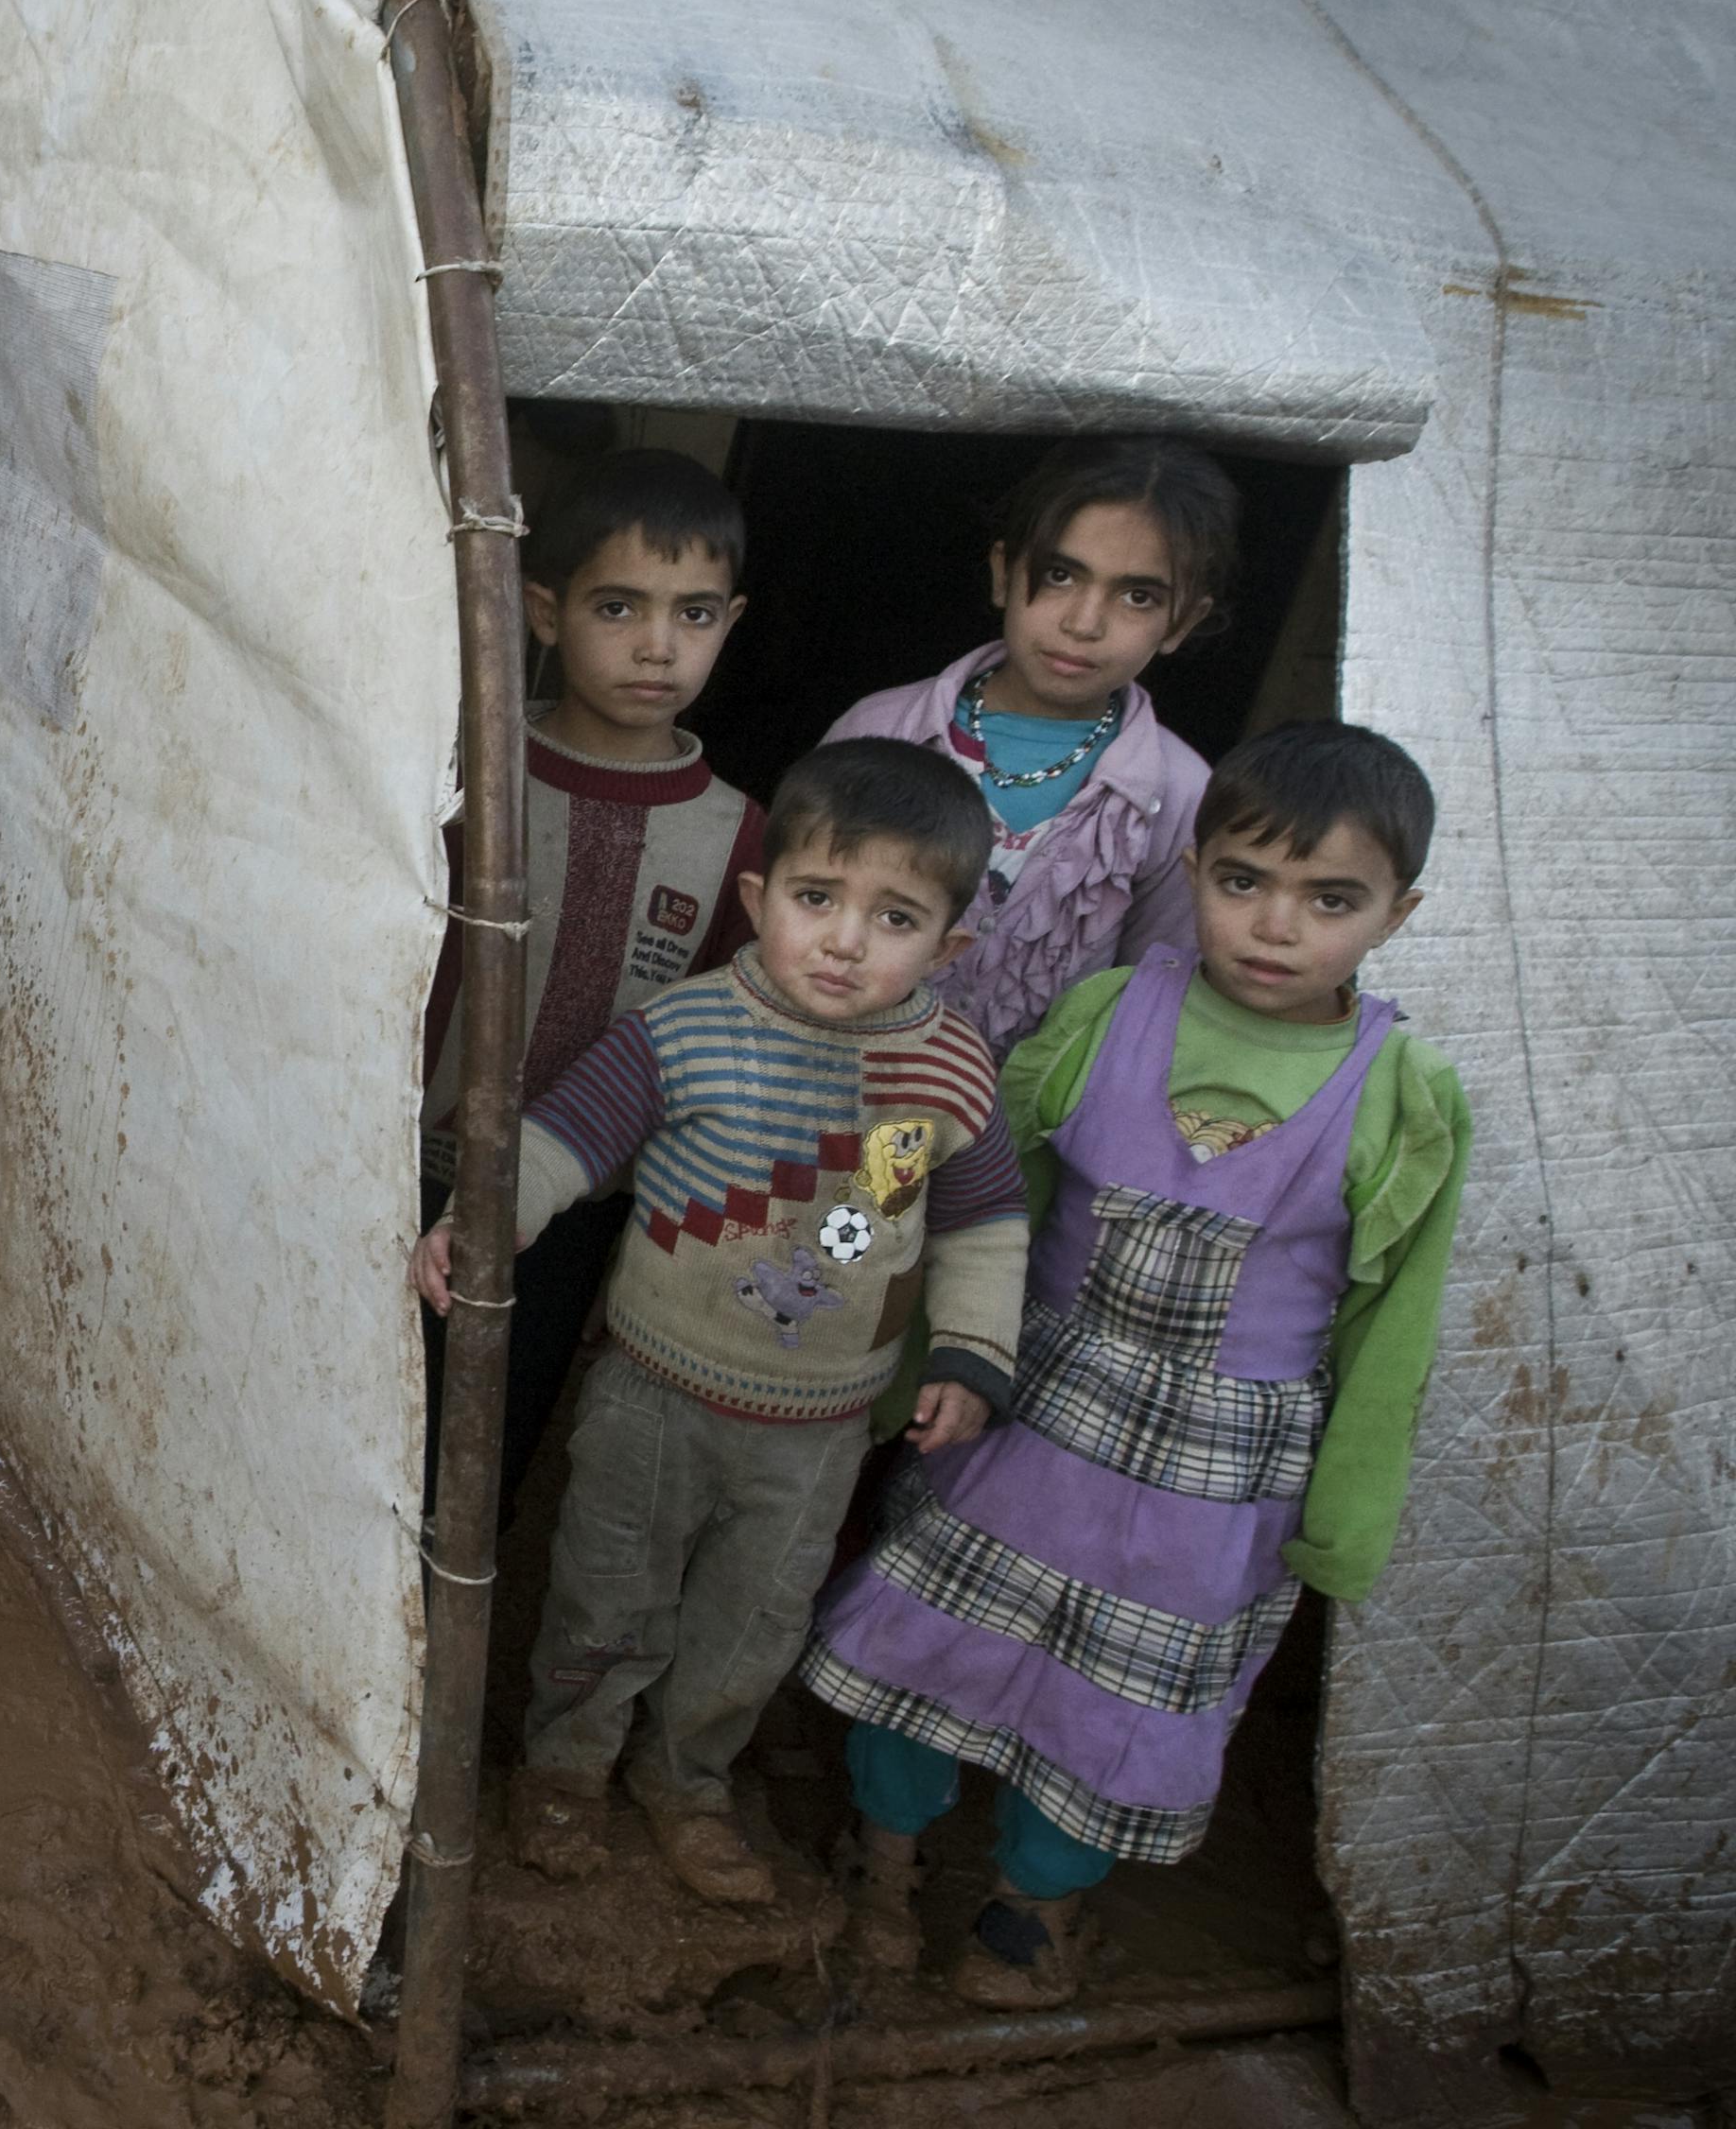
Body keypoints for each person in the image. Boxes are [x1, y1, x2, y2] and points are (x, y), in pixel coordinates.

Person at [800, 721, 1471, 2010]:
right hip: (1028, 1415)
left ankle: (1025, 1916)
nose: (1276, 926)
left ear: (1400, 911)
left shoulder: (1406, 1093)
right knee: (928, 1637)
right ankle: (880, 1869)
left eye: (1330, 899)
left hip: (1212, 1489)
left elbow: (1399, 1323)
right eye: (1242, 882)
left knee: (1119, 1703)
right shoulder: (1112, 1013)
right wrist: (909, 1370)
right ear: (1196, 868)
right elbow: (993, 1201)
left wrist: (1348, 1516)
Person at [411, 740, 1029, 1904]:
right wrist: (484, 1219)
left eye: (893, 917)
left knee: (752, 1622)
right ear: (760, 899)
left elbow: (985, 1225)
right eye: (816, 899)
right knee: (608, 1587)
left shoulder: (947, 1075)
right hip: (653, 1392)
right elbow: (565, 1135)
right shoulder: (688, 1027)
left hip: (819, 1431)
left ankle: (689, 1783)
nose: (845, 940)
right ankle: (566, 1765)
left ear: (949, 946)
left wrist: (971, 1355)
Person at [416, 448, 767, 1518]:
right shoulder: (463, 775)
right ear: (543, 611)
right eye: (620, 606)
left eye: (695, 615)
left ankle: (441, 1641)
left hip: (577, 1216)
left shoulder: (740, 835)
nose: (658, 646)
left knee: (490, 1442)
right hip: (408, 1167)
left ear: (731, 624)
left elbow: (719, 1044)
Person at [823, 437, 1243, 1054]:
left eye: (1138, 596)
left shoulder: (1177, 793)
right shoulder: (882, 729)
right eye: (1060, 575)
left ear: (1181, 621)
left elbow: (1154, 1005)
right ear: (1003, 572)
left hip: (1025, 1137)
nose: (1083, 622)